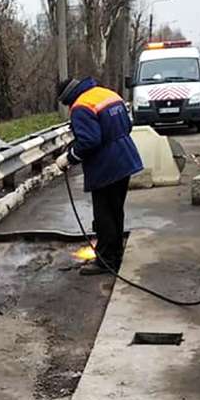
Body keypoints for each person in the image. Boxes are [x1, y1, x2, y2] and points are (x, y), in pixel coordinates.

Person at [55, 77, 143, 275]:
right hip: (125, 158)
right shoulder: (107, 93)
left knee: (104, 215)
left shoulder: (81, 106)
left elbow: (90, 141)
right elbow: (127, 126)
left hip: (107, 167)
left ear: (67, 97)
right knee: (115, 211)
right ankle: (115, 253)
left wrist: (69, 158)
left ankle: (106, 261)